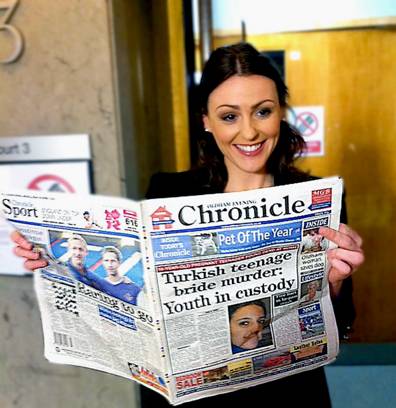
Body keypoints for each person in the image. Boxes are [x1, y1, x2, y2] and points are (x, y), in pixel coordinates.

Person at [11, 42, 364, 406]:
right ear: (206, 121)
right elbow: (134, 291)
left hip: (286, 392)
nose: (249, 132)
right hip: (195, 398)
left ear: (280, 113)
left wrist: (335, 282)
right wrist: (54, 259)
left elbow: (341, 321)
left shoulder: (316, 196)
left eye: (263, 111)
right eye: (229, 116)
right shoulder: (169, 191)